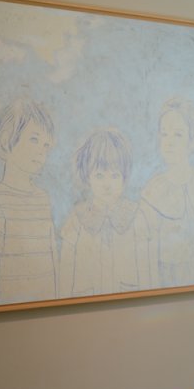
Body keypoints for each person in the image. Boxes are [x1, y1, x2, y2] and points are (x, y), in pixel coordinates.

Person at [0, 98, 57, 306]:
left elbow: (53, 261)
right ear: (5, 143)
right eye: (34, 140)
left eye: (46, 145)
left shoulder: (43, 199)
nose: (41, 151)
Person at [59, 128, 151, 298]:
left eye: (115, 176)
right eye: (100, 176)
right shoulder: (77, 218)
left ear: (124, 178)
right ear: (88, 177)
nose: (107, 184)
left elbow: (146, 271)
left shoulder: (136, 216)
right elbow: (65, 271)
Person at [141, 97, 194, 287]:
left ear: (192, 140)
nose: (169, 142)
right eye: (164, 134)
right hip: (166, 285)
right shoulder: (152, 192)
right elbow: (147, 258)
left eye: (178, 135)